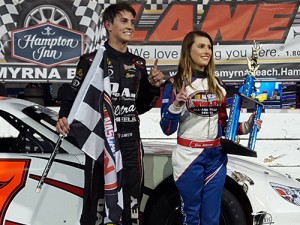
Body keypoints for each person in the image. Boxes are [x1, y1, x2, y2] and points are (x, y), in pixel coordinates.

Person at [55, 2, 164, 225]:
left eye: (132, 22)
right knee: (96, 198)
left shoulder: (139, 64)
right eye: (124, 21)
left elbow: (140, 106)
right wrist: (63, 116)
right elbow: (73, 94)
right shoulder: (91, 61)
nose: (130, 27)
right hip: (100, 140)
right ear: (108, 25)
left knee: (132, 196)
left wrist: (153, 87)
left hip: (130, 140)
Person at [159, 31, 262, 225]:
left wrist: (247, 127)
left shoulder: (218, 85)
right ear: (188, 49)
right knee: (191, 215)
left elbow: (223, 126)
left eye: (209, 47)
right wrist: (177, 105)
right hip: (189, 157)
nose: (207, 51)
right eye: (201, 46)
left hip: (215, 157)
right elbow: (167, 128)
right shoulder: (175, 84)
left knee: (211, 217)